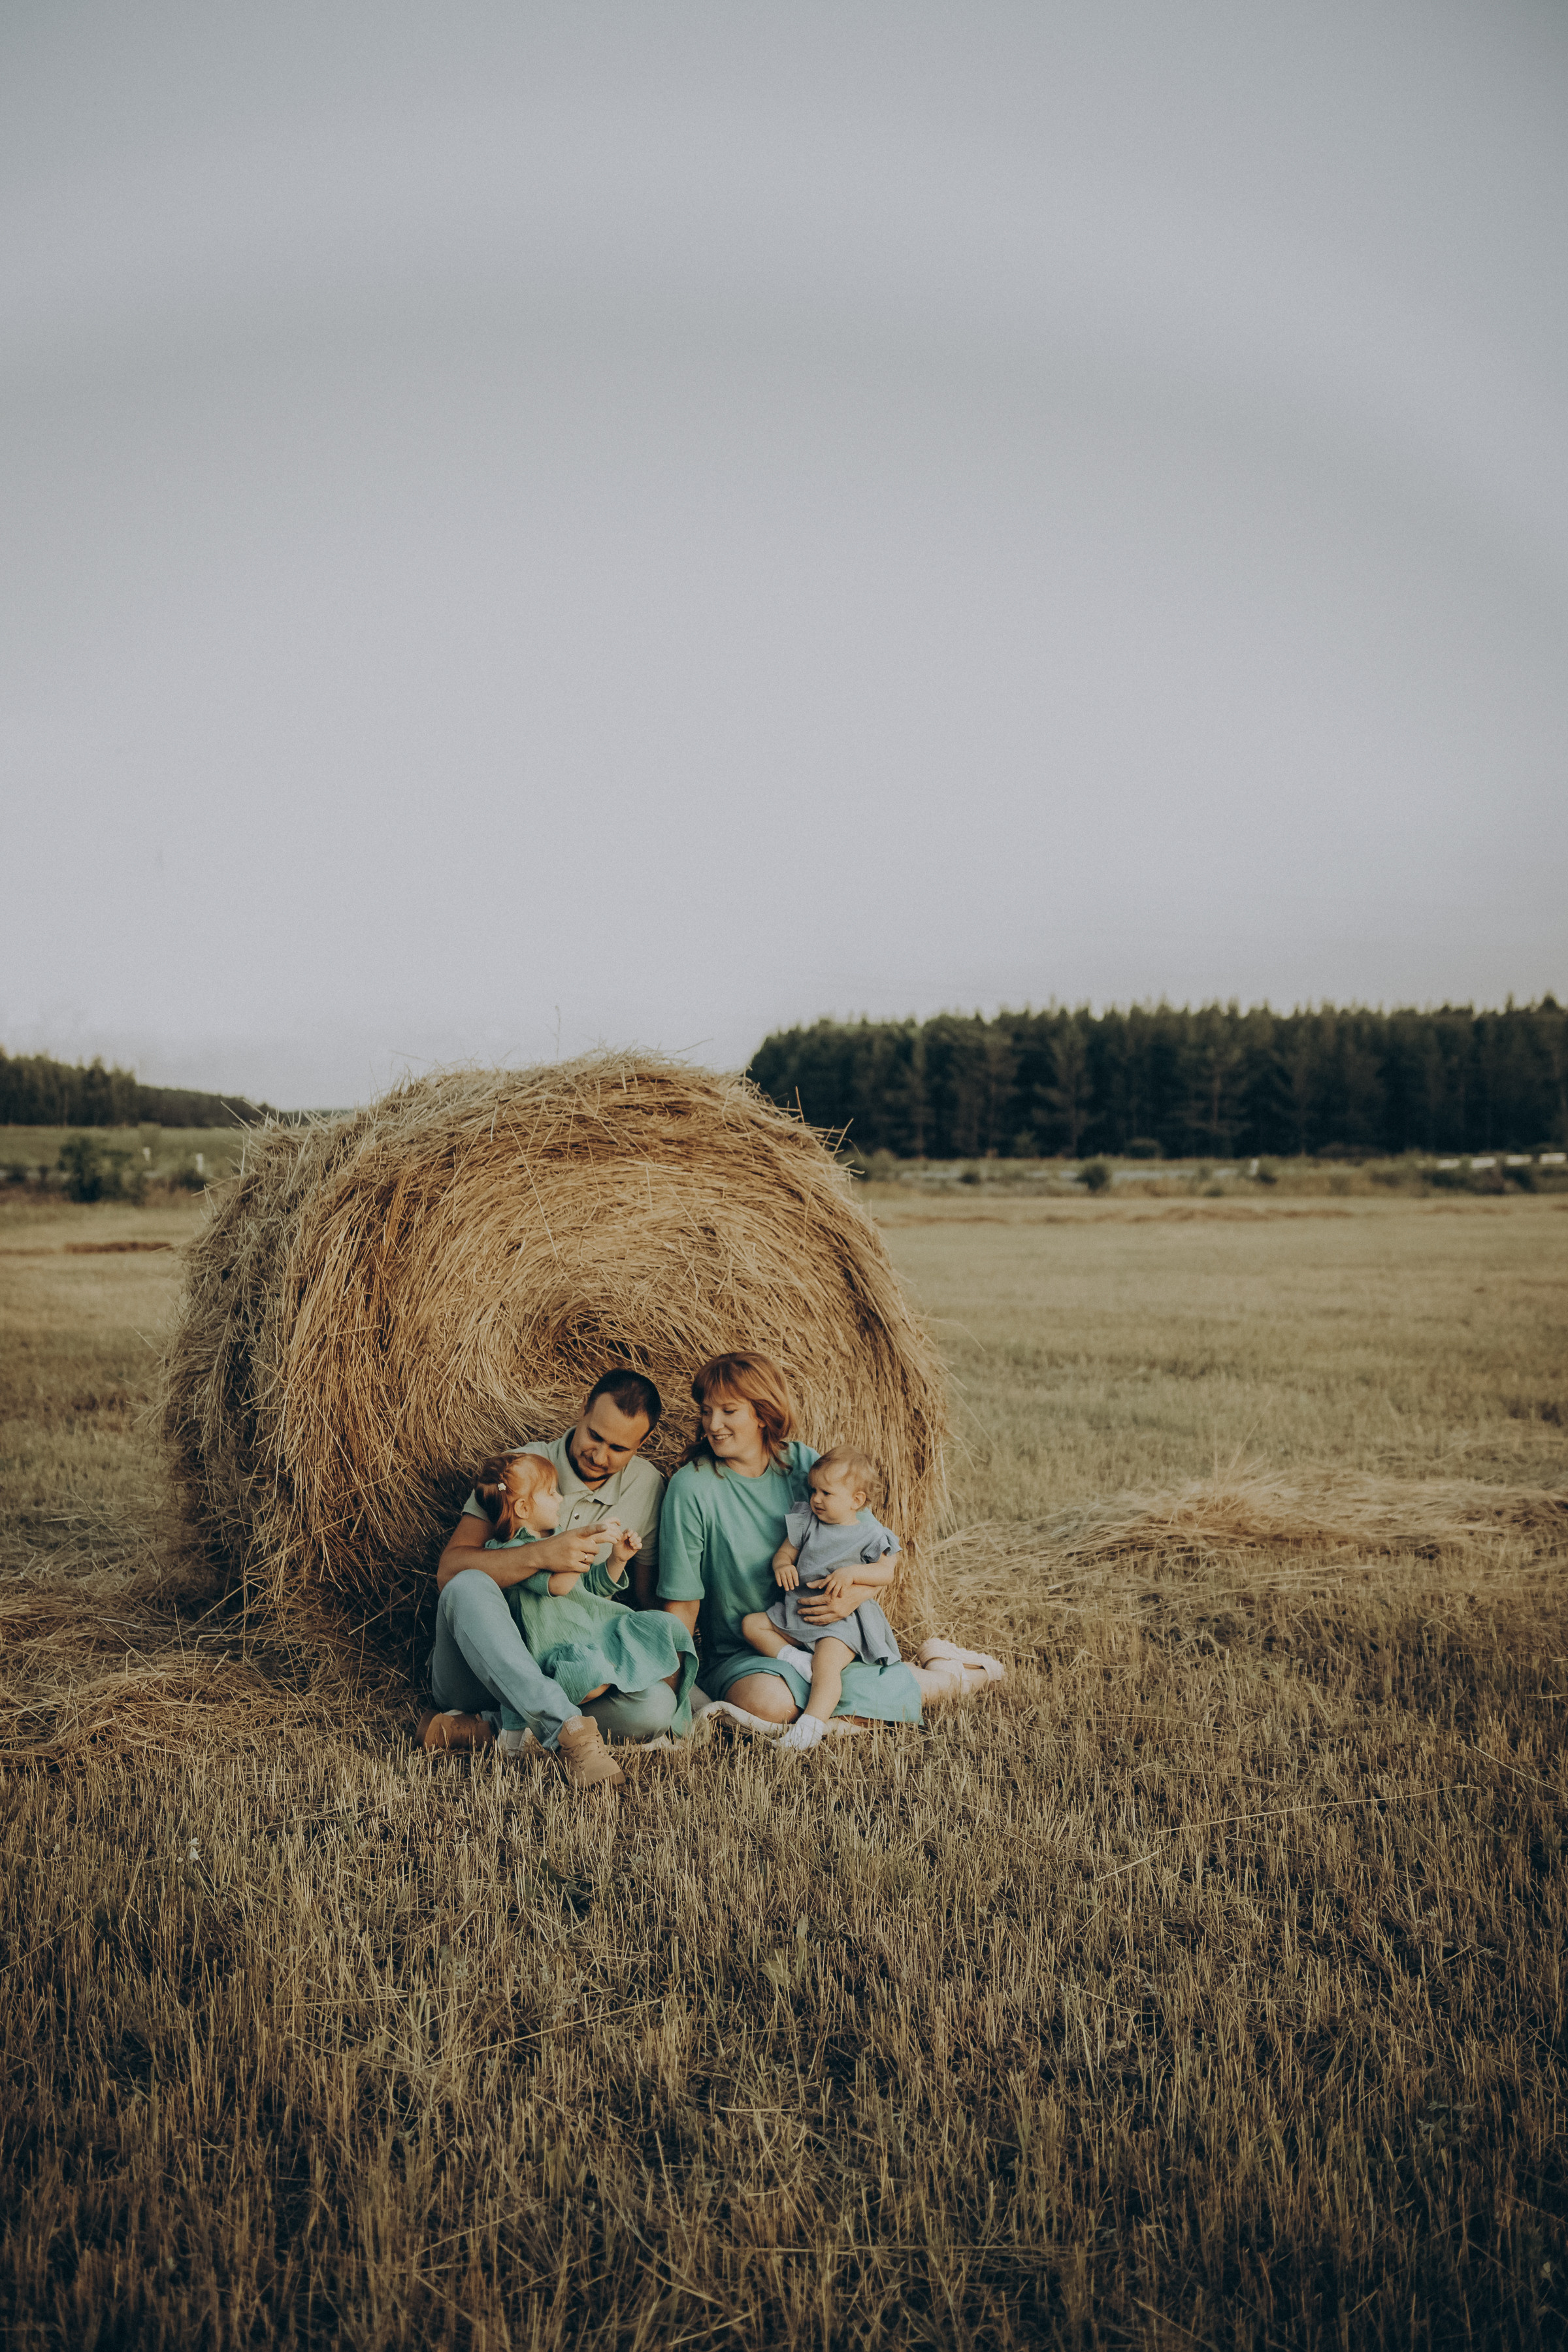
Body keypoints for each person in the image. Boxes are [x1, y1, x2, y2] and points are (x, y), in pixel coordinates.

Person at [657, 1352, 990, 1734]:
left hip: (822, 1635)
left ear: (763, 1413)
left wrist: (855, 1596)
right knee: (770, 1703)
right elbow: (681, 1604)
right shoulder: (692, 1488)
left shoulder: (804, 1466)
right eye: (706, 1411)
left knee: (821, 1680)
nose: (713, 1425)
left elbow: (878, 1551)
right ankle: (916, 1684)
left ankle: (952, 1678)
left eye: (728, 1411)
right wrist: (673, 1694)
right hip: (744, 1647)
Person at [420, 1367, 667, 1791]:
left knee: (656, 1707)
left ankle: (491, 1731)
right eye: (594, 1435)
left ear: (642, 1446)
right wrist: (544, 1554)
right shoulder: (522, 1471)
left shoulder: (648, 1488)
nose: (600, 1455)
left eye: (618, 1448)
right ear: (582, 1409)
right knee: (468, 1583)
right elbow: (450, 1570)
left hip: (567, 1670)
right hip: (479, 1673)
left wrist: (621, 1663)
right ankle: (566, 1729)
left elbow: (639, 1602)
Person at [476, 1448, 697, 1737]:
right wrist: (586, 1543)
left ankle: (676, 1717)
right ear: (523, 1510)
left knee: (666, 1627)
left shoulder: (554, 1540)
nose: (560, 1498)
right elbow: (559, 1586)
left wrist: (617, 1560)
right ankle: (539, 1719)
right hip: (558, 1651)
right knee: (590, 1674)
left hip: (591, 1632)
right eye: (551, 1493)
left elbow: (588, 1590)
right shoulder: (509, 1552)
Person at [738, 1442, 903, 1750]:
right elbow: (784, 1554)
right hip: (797, 1613)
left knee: (827, 1665)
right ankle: (797, 1660)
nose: (816, 1499)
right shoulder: (806, 1521)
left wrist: (853, 1573)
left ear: (857, 1500)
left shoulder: (869, 1536)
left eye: (827, 1494)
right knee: (751, 1624)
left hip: (839, 1625)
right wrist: (783, 1565)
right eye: (814, 1490)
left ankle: (810, 1727)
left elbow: (886, 1573)